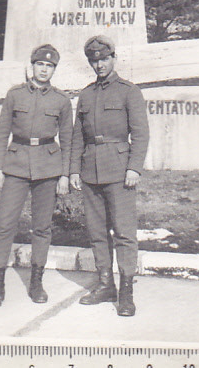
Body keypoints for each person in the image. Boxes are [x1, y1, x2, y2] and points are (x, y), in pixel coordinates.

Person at [0, 44, 73, 308]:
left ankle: (37, 282)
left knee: (42, 227)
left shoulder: (61, 100)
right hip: (16, 165)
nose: (44, 70)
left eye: (49, 66)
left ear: (54, 70)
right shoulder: (15, 95)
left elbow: (67, 140)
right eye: (40, 65)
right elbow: (2, 132)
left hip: (48, 167)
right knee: (4, 224)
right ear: (32, 66)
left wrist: (65, 176)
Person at [70, 35, 149, 317]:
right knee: (97, 231)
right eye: (94, 60)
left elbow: (140, 133)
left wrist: (134, 167)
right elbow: (77, 136)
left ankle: (126, 291)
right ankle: (106, 285)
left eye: (104, 59)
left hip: (119, 169)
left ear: (114, 58)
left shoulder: (129, 91)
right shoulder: (86, 94)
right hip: (90, 169)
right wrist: (74, 171)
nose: (99, 64)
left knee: (124, 232)